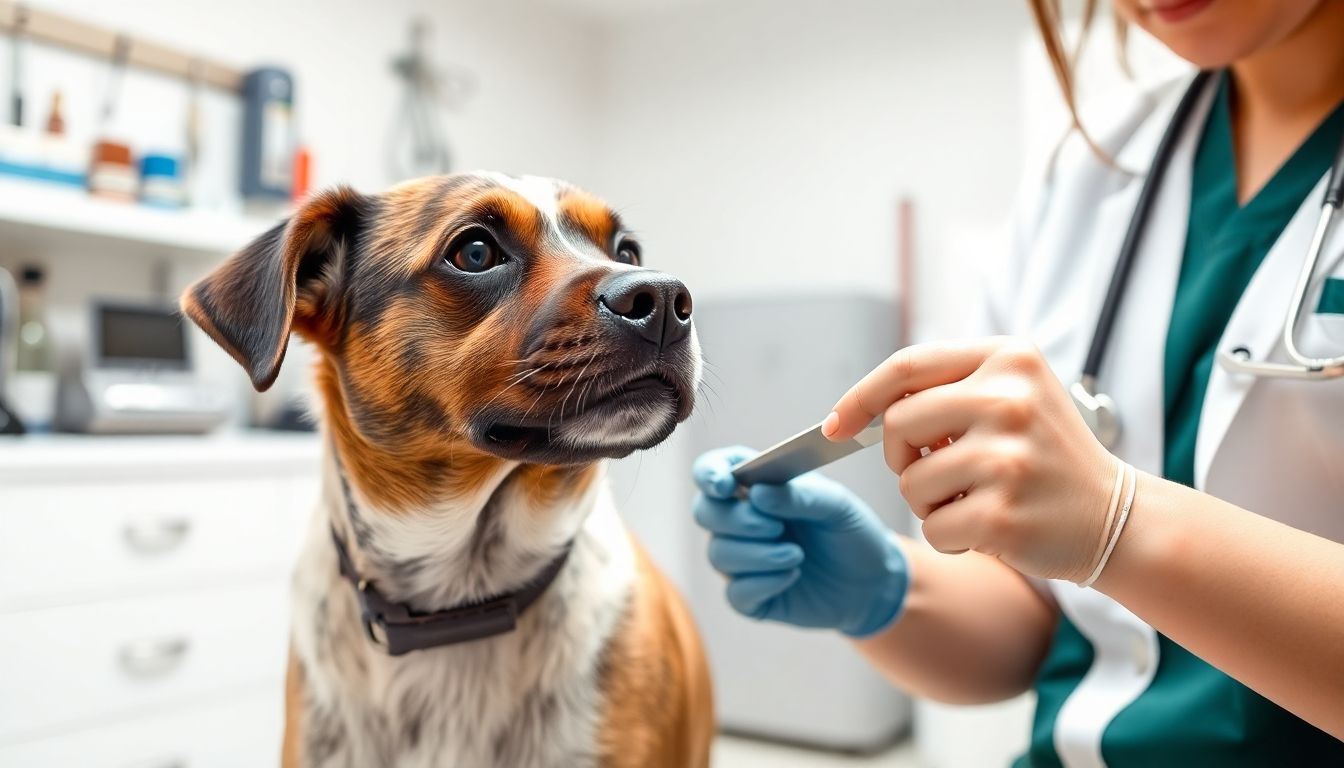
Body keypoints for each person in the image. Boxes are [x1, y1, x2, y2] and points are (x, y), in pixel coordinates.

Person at [691, 1, 1344, 765]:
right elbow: (1042, 619)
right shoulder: (1093, 168)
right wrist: (888, 592)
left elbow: (1107, 545)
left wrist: (1121, 528)